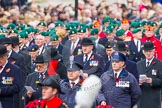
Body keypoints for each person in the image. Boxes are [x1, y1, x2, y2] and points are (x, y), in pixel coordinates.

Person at [137, 42, 162, 108]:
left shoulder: (159, 64)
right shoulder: (139, 64)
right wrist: (138, 82)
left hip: (153, 98)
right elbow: (134, 79)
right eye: (146, 51)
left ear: (154, 51)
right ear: (143, 52)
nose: (148, 53)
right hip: (141, 98)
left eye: (150, 51)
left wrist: (152, 81)